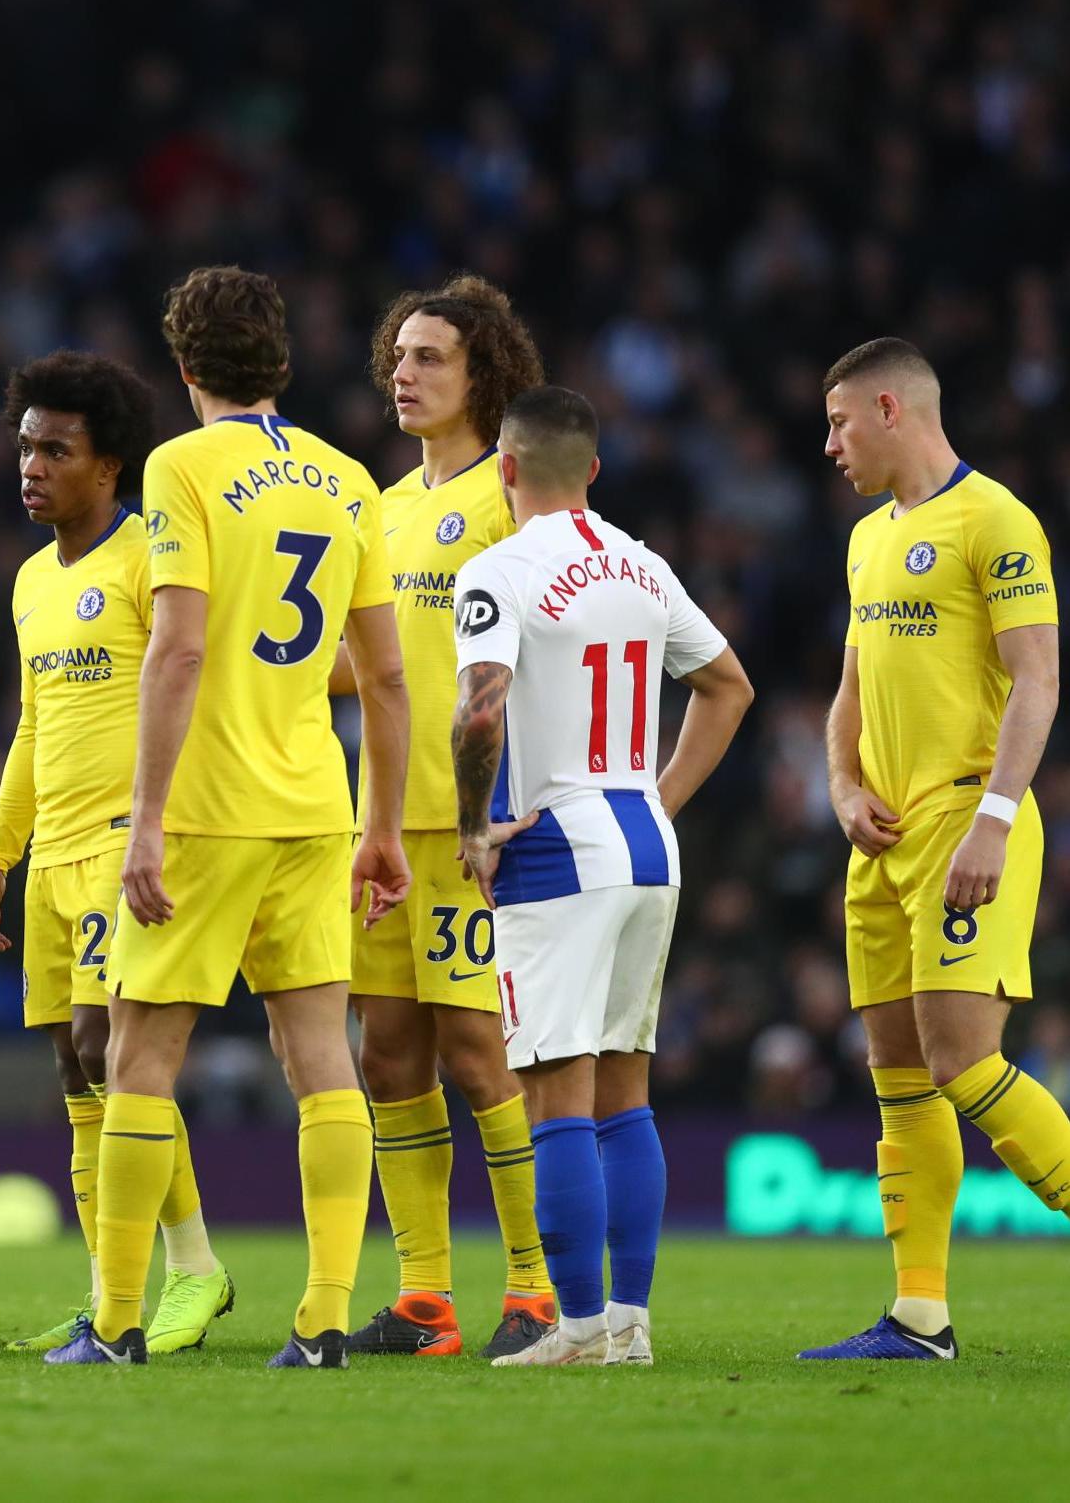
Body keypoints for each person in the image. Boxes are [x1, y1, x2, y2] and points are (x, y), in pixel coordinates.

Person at [47, 265, 411, 1369]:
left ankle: (114, 1321)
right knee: (320, 1061)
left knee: (141, 1056)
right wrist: (381, 825)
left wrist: (144, 819)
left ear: (185, 364)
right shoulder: (349, 479)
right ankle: (324, 1317)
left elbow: (182, 644)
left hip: (206, 810)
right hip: (314, 806)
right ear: (279, 361)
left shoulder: (181, 467)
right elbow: (385, 678)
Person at [448, 384, 751, 1368]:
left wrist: (473, 826)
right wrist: (658, 795)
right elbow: (726, 685)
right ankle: (628, 1325)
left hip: (553, 844)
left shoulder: (495, 569)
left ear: (502, 467)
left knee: (552, 1096)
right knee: (626, 1091)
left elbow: (478, 712)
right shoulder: (643, 563)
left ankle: (573, 1326)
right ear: (591, 467)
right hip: (644, 839)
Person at [801, 338, 1067, 1362]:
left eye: (835, 423)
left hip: (968, 816)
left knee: (963, 1059)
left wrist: (994, 816)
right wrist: (838, 788)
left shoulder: (994, 519)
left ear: (886, 407)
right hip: (881, 834)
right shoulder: (869, 538)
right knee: (899, 1075)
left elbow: (1035, 679)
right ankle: (918, 1315)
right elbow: (849, 689)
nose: (827, 444)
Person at [0, 350, 232, 1355]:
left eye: (55, 450)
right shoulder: (33, 578)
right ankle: (105, 1293)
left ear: (108, 466)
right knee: (76, 1078)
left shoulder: (148, 558)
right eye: (24, 445)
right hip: (53, 855)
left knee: (103, 1047)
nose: (29, 465)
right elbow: (34, 724)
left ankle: (196, 1268)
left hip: (131, 845)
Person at [338, 275, 557, 1360]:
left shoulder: (506, 495)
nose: (404, 373)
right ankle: (424, 1298)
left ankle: (535, 1285)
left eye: (429, 357)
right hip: (383, 820)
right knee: (388, 1055)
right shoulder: (382, 507)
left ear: (484, 375)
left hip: (477, 819)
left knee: (478, 1051)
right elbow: (366, 664)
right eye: (398, 355)